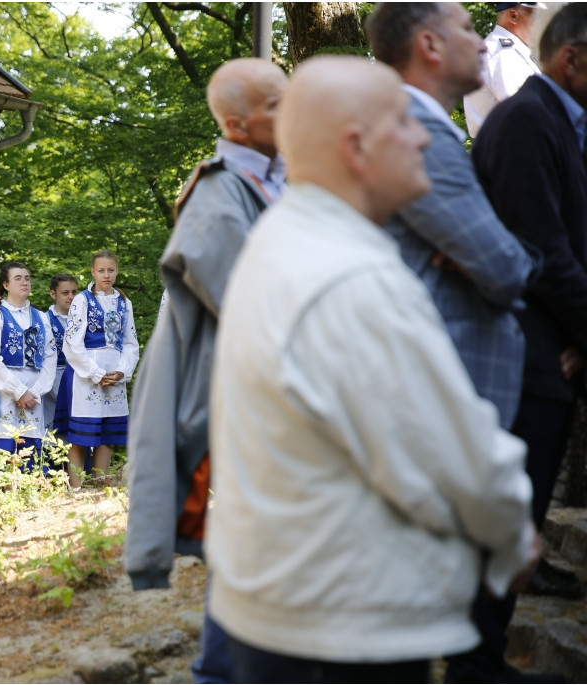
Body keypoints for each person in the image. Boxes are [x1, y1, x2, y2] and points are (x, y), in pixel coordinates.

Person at [206, 55, 537, 683]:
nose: (423, 136)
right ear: (356, 146)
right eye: (403, 123)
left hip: (284, 605)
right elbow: (447, 449)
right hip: (341, 627)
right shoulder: (353, 278)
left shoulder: (282, 241)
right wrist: (512, 531)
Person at [124, 56, 288, 684]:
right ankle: (219, 673)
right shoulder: (218, 198)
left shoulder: (279, 177)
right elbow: (258, 310)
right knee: (251, 542)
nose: (291, 110)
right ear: (237, 123)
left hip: (273, 398)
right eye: (276, 104)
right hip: (255, 398)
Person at [457, 5, 587, 680]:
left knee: (525, 519)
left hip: (555, 354)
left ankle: (482, 653)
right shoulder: (525, 123)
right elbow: (543, 251)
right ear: (573, 61)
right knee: (511, 521)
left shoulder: (560, 122)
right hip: (528, 358)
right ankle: (476, 661)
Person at [367, 2, 536, 433]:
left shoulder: (405, 126)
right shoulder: (420, 138)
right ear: (429, 44)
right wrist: (502, 249)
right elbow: (504, 268)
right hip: (448, 393)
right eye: (466, 29)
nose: (482, 43)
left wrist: (476, 252)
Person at [59, 249, 139, 488]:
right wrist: (95, 373)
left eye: (111, 270)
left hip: (114, 374)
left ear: (117, 271)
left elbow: (130, 342)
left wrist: (122, 371)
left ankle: (100, 486)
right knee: (81, 436)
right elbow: (72, 342)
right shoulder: (82, 300)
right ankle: (76, 489)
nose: (106, 275)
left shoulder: (125, 302)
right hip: (86, 373)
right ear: (93, 271)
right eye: (101, 270)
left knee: (107, 435)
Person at [0, 261, 57, 460]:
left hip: (34, 394)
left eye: (27, 278)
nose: (24, 282)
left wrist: (36, 391)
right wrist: (18, 391)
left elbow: (50, 354)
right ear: (6, 285)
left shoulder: (40, 317)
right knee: (1, 450)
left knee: (30, 453)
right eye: (18, 278)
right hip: (4, 392)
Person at [464, 2, 543, 137]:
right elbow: (525, 113)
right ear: (513, 16)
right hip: (511, 148)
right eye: (537, 16)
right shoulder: (504, 54)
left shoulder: (509, 50)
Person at [43, 273, 78, 438]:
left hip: (79, 379)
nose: (71, 297)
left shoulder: (82, 319)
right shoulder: (44, 320)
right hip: (52, 380)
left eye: (74, 292)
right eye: (65, 293)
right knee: (54, 432)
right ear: (53, 294)